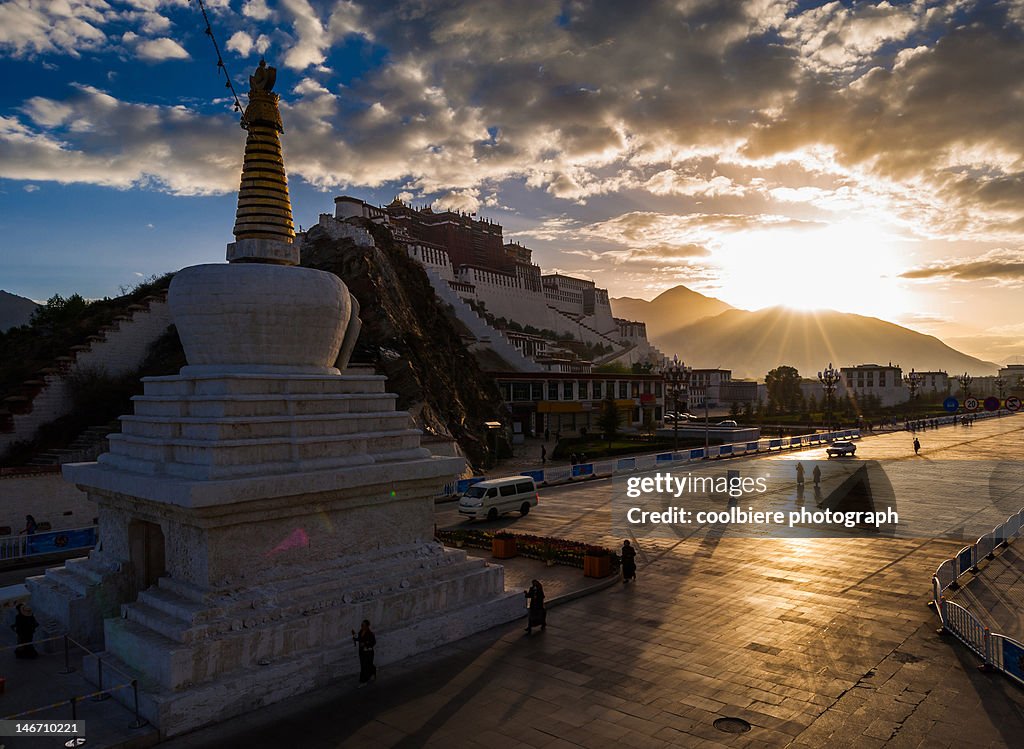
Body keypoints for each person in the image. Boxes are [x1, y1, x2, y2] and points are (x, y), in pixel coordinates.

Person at [351, 620, 376, 687]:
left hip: (368, 652)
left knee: (366, 666)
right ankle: (372, 673)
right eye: (362, 625)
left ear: (367, 626)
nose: (362, 626)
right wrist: (354, 636)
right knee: (365, 665)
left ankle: (363, 681)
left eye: (364, 625)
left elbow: (373, 642)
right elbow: (359, 639)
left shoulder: (370, 634)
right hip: (362, 652)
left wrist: (365, 644)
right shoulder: (361, 632)